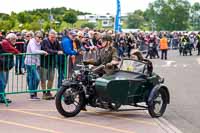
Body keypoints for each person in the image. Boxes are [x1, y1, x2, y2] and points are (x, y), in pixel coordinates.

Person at [25, 31, 48, 100]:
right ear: (35, 36)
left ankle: (33, 93)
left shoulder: (39, 42)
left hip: (36, 63)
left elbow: (37, 53)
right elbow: (34, 51)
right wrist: (43, 52)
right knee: (36, 78)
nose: (40, 39)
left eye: (41, 37)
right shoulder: (32, 41)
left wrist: (38, 63)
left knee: (33, 78)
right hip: (30, 62)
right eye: (38, 37)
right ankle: (32, 94)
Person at [40, 30, 63, 100]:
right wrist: (57, 52)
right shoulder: (45, 41)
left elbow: (60, 49)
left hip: (52, 63)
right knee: (43, 79)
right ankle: (44, 93)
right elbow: (47, 49)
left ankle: (48, 92)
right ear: (48, 36)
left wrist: (58, 51)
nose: (53, 38)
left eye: (54, 37)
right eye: (51, 37)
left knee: (51, 78)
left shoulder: (56, 42)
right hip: (44, 62)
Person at [0, 33, 20, 103]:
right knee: (2, 82)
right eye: (14, 39)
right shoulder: (5, 42)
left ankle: (2, 96)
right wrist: (17, 51)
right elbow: (10, 49)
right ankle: (2, 97)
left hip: (4, 66)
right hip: (2, 65)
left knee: (4, 82)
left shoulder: (5, 42)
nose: (15, 41)